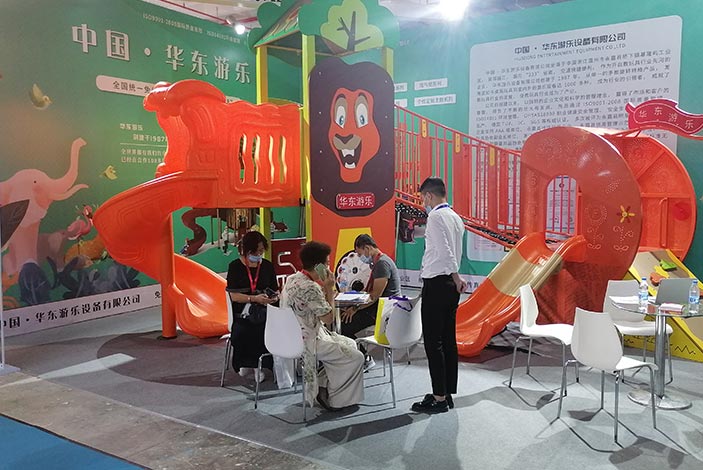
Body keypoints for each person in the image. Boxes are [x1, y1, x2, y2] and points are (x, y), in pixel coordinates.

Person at [280, 241, 365, 411]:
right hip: (309, 340)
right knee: (357, 357)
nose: (329, 267)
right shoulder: (310, 288)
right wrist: (329, 289)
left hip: (293, 335)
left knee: (350, 344)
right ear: (319, 266)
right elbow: (328, 318)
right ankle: (337, 399)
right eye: (327, 263)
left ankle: (323, 385)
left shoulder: (292, 279)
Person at [411, 177, 467, 413]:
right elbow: (453, 251)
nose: (423, 202)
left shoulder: (435, 217)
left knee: (433, 343)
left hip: (438, 283)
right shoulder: (454, 216)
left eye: (423, 198)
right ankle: (446, 392)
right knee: (448, 340)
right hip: (449, 286)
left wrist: (456, 276)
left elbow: (444, 253)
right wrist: (456, 278)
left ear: (429, 195)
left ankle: (439, 397)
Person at [340, 234, 401, 368]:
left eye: (359, 254)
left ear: (367, 248)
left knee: (343, 326)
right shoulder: (379, 262)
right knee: (344, 316)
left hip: (384, 310)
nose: (360, 257)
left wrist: (355, 308)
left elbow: (374, 296)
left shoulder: (382, 264)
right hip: (380, 306)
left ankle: (365, 358)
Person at [226, 231, 279, 383]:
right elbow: (234, 296)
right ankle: (250, 364)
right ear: (247, 251)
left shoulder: (267, 266)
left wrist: (272, 298)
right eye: (256, 252)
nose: (259, 255)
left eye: (261, 251)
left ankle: (262, 364)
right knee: (248, 330)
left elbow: (275, 290)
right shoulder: (235, 267)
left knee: (269, 327)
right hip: (242, 313)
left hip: (265, 310)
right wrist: (253, 298)